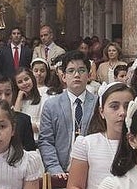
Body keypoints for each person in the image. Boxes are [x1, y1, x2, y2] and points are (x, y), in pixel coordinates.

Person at [37, 50, 96, 181]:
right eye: (71, 71)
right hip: (61, 173)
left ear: (89, 75)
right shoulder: (51, 105)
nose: (76, 75)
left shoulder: (98, 104)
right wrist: (55, 169)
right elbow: (46, 141)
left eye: (81, 70)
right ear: (63, 76)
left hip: (92, 175)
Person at [13, 66, 43, 136]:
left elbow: (41, 125)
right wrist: (19, 98)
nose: (24, 83)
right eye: (20, 82)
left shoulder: (43, 99)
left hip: (37, 139)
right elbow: (15, 120)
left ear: (32, 79)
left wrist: (23, 126)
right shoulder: (16, 102)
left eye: (26, 79)